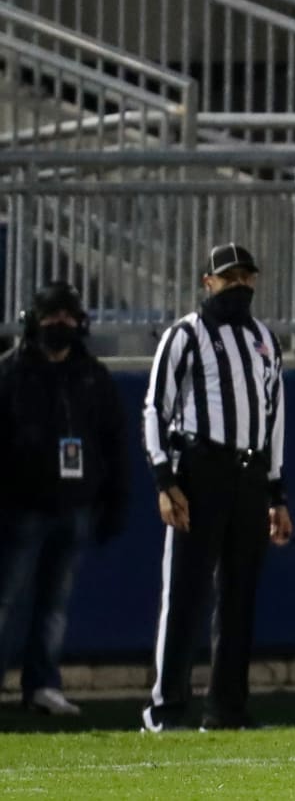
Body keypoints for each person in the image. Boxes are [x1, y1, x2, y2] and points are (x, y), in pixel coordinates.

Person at [140, 243, 293, 732]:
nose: (240, 286)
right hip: (200, 469)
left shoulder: (265, 339)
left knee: (239, 596)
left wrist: (276, 493)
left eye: (247, 278)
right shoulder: (185, 334)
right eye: (230, 279)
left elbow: (274, 419)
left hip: (249, 475)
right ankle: (166, 711)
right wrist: (165, 479)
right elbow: (154, 409)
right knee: (184, 593)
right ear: (207, 282)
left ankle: (226, 709)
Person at [0, 282, 128, 716]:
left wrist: (112, 503)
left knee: (54, 605)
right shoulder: (10, 374)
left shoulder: (92, 376)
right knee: (5, 601)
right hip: (21, 508)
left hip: (75, 508)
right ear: (33, 321)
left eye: (68, 316)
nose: (61, 324)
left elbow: (113, 444)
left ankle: (41, 685)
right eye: (52, 316)